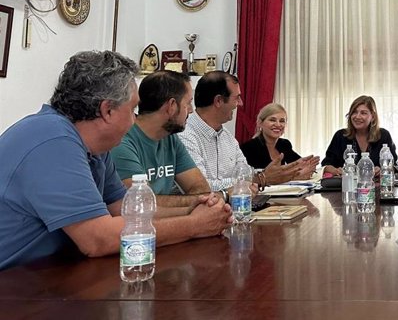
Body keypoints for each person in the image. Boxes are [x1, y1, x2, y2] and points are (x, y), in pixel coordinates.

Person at [0, 51, 232, 270]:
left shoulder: (96, 148)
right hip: (15, 285)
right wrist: (194, 225)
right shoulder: (52, 139)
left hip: (45, 275)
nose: (135, 120)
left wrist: (197, 209)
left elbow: (125, 210)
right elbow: (98, 239)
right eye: (133, 110)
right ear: (107, 110)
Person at [179, 72, 315, 190]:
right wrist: (261, 178)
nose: (241, 103)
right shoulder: (185, 136)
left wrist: (284, 173)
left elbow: (245, 172)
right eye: (237, 98)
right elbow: (202, 188)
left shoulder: (226, 137)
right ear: (219, 101)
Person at [112, 70, 212, 206]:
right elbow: (140, 203)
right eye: (188, 103)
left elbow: (201, 188)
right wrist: (195, 201)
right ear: (171, 106)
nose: (191, 110)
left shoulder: (170, 138)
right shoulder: (122, 143)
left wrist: (197, 200)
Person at [322, 95, 398, 175]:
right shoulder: (340, 135)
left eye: (363, 113)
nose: (357, 117)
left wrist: (382, 169)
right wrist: (335, 170)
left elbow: (394, 166)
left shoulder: (383, 135)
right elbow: (326, 165)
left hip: (376, 185)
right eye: (354, 112)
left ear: (373, 117)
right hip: (346, 185)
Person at [240, 103, 319, 178]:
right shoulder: (249, 148)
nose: (278, 125)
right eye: (272, 120)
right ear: (260, 123)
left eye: (282, 121)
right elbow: (261, 178)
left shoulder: (284, 144)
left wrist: (306, 166)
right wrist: (296, 176)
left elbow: (298, 165)